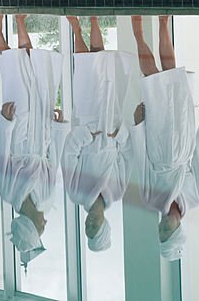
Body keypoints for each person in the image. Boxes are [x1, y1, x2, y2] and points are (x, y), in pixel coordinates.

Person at [129, 15, 199, 261]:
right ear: (179, 229)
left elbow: (141, 160)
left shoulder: (150, 199)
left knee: (153, 77)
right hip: (184, 137)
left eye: (161, 229)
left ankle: (138, 33)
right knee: (173, 76)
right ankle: (164, 21)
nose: (163, 224)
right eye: (168, 229)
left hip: (159, 140)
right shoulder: (194, 198)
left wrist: (138, 126)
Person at [0, 14, 68, 271]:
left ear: (29, 225)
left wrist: (6, 123)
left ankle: (1, 34)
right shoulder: (46, 197)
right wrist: (59, 128)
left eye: (40, 229)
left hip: (20, 133)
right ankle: (17, 22)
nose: (45, 225)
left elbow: (1, 154)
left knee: (17, 79)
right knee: (36, 76)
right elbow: (53, 162)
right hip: (42, 132)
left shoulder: (7, 191)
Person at [61, 22, 136, 253]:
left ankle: (75, 27)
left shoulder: (76, 194)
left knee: (85, 69)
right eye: (96, 227)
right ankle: (93, 16)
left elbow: (69, 156)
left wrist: (85, 135)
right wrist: (119, 134)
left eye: (88, 227)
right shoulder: (117, 191)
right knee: (102, 67)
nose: (90, 223)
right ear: (104, 225)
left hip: (87, 124)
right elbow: (127, 156)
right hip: (110, 126)